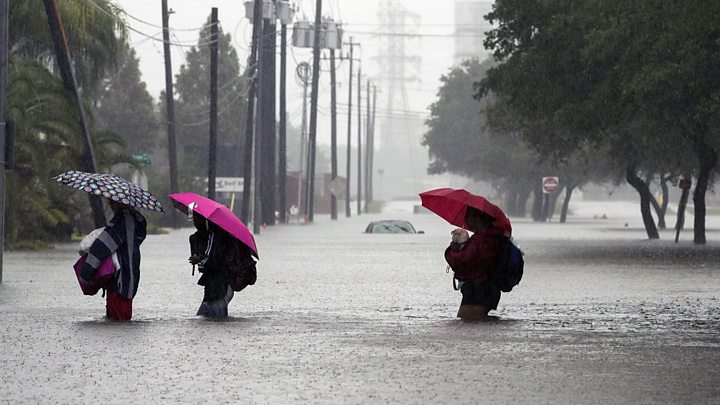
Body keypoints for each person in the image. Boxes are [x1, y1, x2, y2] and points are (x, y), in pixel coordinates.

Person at [79, 200, 147, 320]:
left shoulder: (122, 220)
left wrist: (86, 272)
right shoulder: (134, 220)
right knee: (120, 323)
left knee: (117, 321)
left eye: (112, 202)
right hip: (128, 277)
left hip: (120, 279)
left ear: (120, 202)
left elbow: (103, 246)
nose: (110, 205)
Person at [444, 206, 502, 320]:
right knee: (473, 322)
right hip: (485, 287)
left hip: (480, 289)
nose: (465, 220)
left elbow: (463, 260)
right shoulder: (489, 236)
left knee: (468, 321)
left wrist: (455, 246)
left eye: (467, 216)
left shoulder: (482, 239)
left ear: (477, 218)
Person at [188, 213, 234, 318]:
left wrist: (198, 260)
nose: (194, 222)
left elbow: (212, 261)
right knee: (207, 320)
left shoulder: (215, 238)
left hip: (219, 287)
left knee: (214, 319)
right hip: (215, 287)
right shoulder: (201, 238)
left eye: (197, 219)